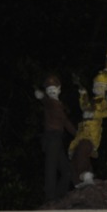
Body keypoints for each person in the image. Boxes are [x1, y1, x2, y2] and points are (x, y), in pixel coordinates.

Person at [69, 70, 107, 188]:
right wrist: (83, 94)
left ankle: (87, 175)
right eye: (96, 85)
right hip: (82, 133)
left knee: (83, 149)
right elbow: (84, 107)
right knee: (74, 157)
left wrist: (94, 114)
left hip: (92, 135)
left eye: (101, 86)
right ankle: (80, 181)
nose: (98, 88)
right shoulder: (91, 101)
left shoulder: (103, 101)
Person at [36, 73, 75, 201]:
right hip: (51, 137)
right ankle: (50, 198)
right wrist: (42, 97)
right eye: (49, 90)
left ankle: (59, 196)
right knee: (51, 168)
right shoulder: (50, 103)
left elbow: (65, 122)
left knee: (67, 171)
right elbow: (46, 101)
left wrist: (79, 135)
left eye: (54, 89)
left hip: (58, 139)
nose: (52, 92)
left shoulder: (59, 105)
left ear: (59, 90)